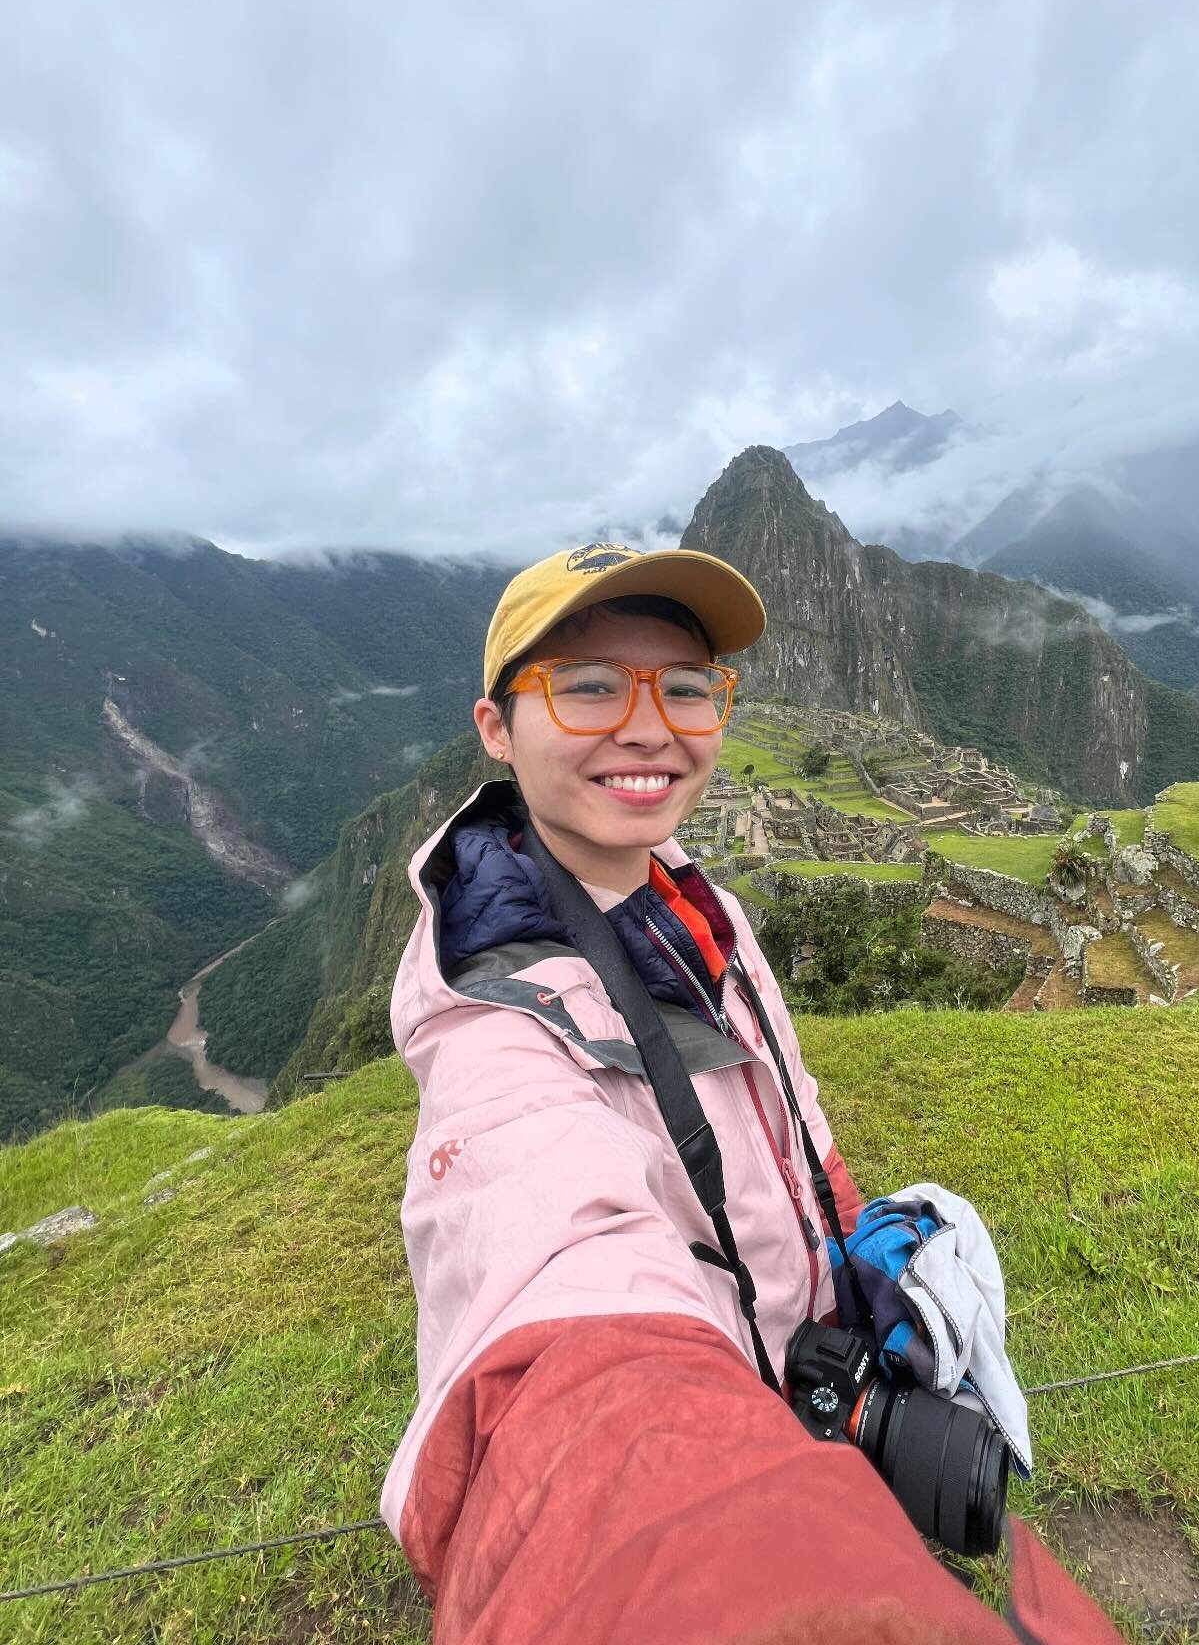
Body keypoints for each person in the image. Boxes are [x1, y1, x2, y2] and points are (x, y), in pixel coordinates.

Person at [381, 542, 1121, 1644]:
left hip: (794, 1351)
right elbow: (559, 1282)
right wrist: (696, 1519)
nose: (648, 726)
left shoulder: (695, 900)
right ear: (497, 727)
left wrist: (850, 1250)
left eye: (686, 687)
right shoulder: (495, 1019)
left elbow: (788, 1099)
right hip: (704, 1376)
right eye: (587, 687)